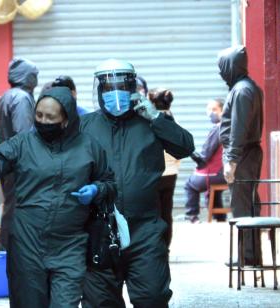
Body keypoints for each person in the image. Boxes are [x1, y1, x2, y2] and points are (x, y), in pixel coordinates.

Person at [0, 86, 116, 308]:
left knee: (65, 303)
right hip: (27, 244)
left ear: (66, 120)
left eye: (50, 117)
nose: (43, 121)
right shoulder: (23, 142)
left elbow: (110, 183)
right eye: (39, 115)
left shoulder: (89, 146)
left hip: (70, 245)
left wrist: (96, 190)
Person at [81, 59, 194, 308]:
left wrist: (156, 116)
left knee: (152, 297)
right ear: (100, 90)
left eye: (122, 85)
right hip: (98, 230)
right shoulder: (85, 126)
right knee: (100, 302)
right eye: (109, 87)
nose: (116, 92)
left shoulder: (151, 123)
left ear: (133, 87)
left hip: (145, 230)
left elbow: (186, 146)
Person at [218, 46, 263, 266]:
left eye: (222, 67)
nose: (220, 73)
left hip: (243, 156)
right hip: (246, 154)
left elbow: (238, 128)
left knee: (243, 207)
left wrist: (231, 161)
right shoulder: (246, 88)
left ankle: (248, 257)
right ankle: (250, 254)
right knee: (248, 204)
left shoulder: (242, 91)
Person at [0, 57, 39, 251]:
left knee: (11, 208)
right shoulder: (21, 99)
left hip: (8, 161)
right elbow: (24, 134)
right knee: (14, 210)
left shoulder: (9, 95)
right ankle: (9, 252)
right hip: (17, 164)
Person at [185, 98, 228, 223]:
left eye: (214, 109)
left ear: (223, 110)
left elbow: (206, 154)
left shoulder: (218, 129)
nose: (211, 113)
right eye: (209, 109)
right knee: (213, 189)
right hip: (225, 172)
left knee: (190, 186)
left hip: (216, 174)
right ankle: (220, 217)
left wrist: (194, 157)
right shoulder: (229, 126)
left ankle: (192, 216)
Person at [148, 87, 180, 248]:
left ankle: (156, 246)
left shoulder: (152, 122)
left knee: (154, 213)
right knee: (166, 212)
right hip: (171, 173)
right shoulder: (173, 121)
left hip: (154, 174)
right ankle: (165, 246)